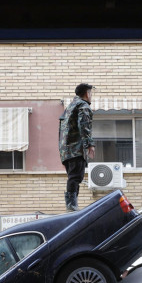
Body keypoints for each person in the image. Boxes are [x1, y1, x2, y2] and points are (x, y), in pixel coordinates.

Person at [59, 82, 96, 212]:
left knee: (73, 177)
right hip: (76, 149)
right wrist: (89, 144)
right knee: (76, 177)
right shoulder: (83, 105)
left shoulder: (70, 107)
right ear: (87, 93)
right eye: (91, 93)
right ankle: (71, 207)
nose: (91, 96)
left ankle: (72, 206)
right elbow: (84, 125)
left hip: (66, 151)